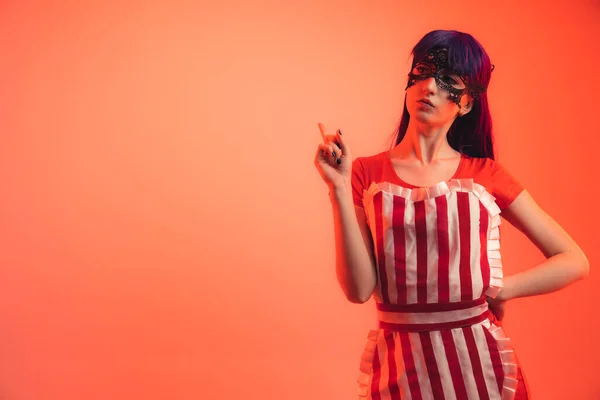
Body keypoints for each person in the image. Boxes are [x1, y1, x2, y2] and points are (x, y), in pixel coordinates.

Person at [314, 30, 589, 400]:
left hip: (481, 370)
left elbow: (575, 260)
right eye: (423, 71)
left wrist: (501, 289)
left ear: (467, 104)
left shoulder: (485, 174)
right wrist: (337, 188)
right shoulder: (364, 173)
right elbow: (358, 289)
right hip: (398, 370)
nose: (429, 86)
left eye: (448, 81)